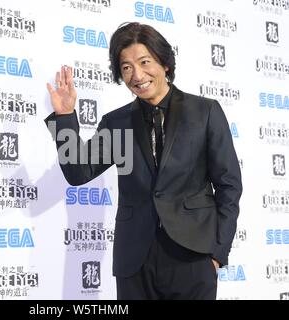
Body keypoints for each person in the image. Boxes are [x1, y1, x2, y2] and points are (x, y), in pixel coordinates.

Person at [44, 22, 242, 300]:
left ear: (165, 64)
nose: (137, 75)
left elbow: (229, 185)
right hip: (134, 261)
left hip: (193, 257)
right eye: (126, 67)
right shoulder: (117, 123)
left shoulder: (204, 112)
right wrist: (65, 118)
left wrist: (218, 252)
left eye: (144, 62)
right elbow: (78, 172)